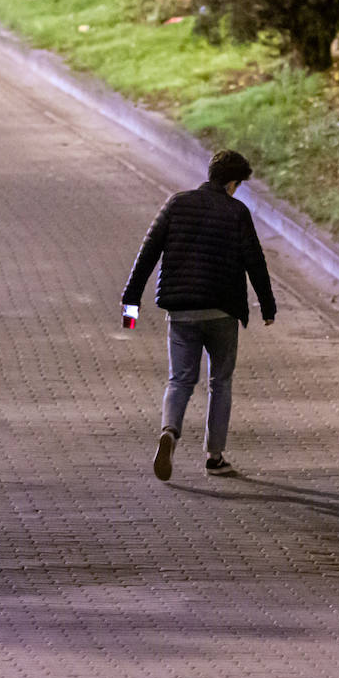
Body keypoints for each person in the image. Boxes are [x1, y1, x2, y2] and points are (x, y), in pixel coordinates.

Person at [122, 149, 277, 482]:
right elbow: (255, 261)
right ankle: (214, 456)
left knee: (180, 379)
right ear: (233, 183)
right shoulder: (237, 212)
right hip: (222, 311)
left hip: (181, 310)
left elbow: (148, 251)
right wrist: (267, 306)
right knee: (220, 382)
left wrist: (130, 301)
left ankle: (170, 432)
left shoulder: (176, 203)